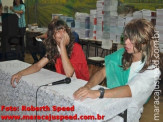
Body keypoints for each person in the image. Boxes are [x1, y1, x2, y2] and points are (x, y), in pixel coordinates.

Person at [73, 19, 161, 121]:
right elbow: (102, 72)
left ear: (144, 42)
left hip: (128, 114)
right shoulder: (122, 54)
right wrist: (87, 87)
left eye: (131, 39)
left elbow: (129, 90)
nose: (126, 42)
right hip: (110, 104)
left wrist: (98, 93)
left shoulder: (152, 70)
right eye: (126, 37)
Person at [11, 19, 90, 88]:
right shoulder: (55, 49)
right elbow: (38, 65)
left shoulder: (76, 48)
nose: (62, 34)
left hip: (81, 85)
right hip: (67, 83)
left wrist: (62, 45)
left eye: (64, 30)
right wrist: (20, 73)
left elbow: (69, 73)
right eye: (58, 31)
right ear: (53, 36)